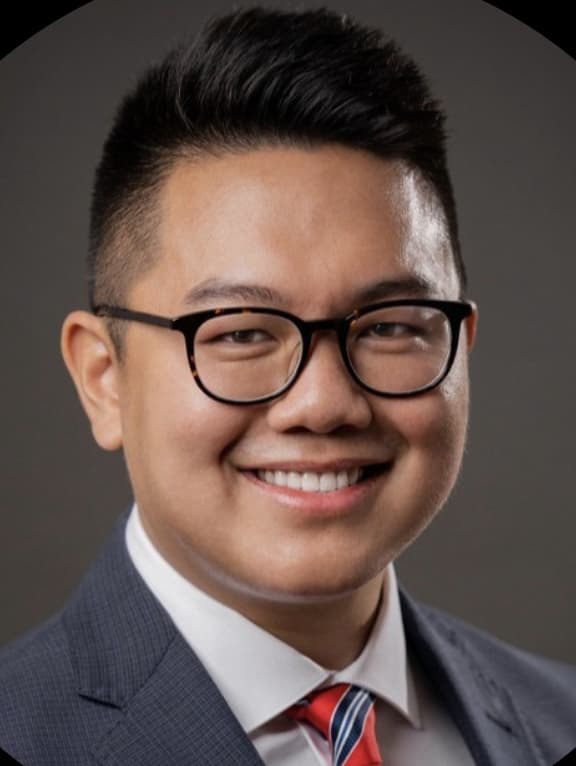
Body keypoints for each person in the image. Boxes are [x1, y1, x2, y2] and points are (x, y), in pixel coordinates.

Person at [1, 6, 574, 765]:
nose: (325, 403)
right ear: (104, 379)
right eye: (241, 332)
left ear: (460, 348)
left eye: (390, 326)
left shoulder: (559, 719)